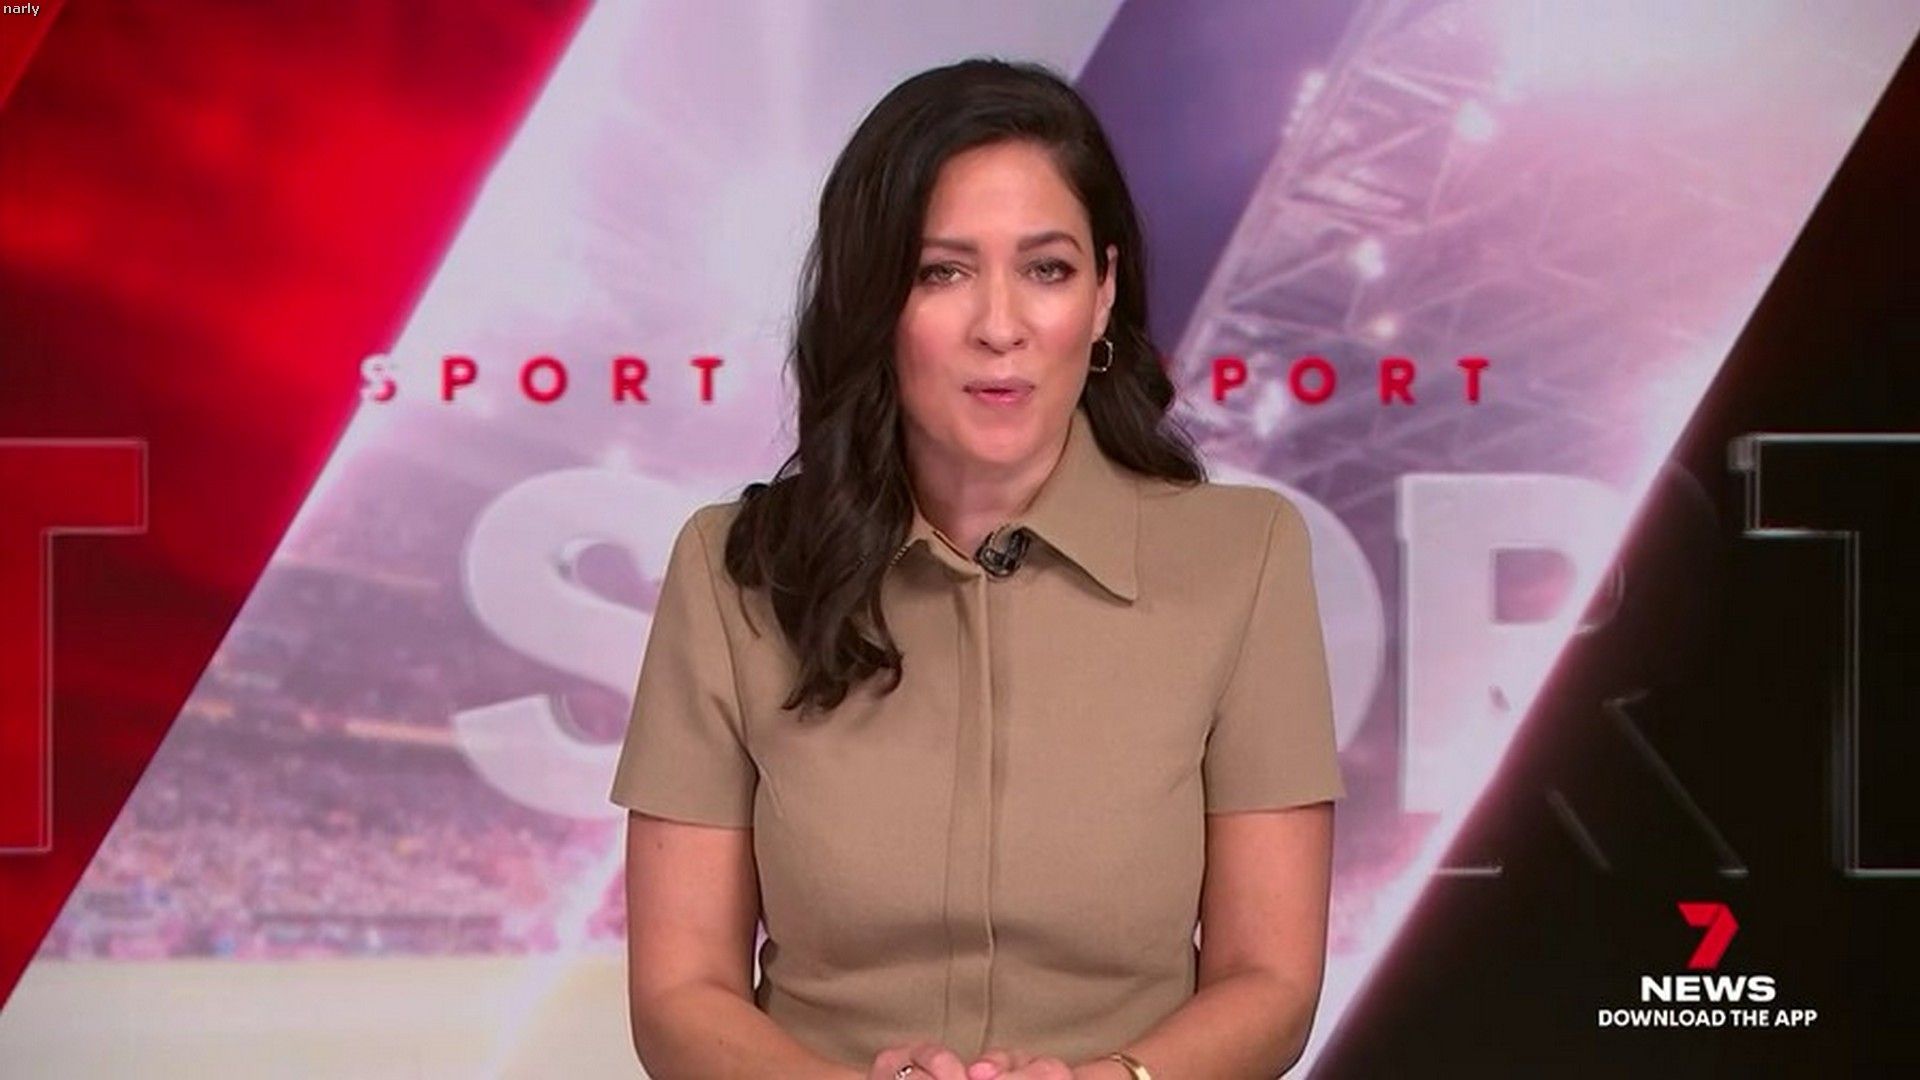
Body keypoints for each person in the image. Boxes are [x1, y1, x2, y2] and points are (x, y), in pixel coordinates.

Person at [611, 58, 1344, 1080]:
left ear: (1104, 295)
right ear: (874, 302)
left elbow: (1270, 980)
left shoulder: (1247, 557)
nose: (1001, 327)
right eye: (942, 272)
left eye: (1047, 269)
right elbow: (679, 993)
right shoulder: (729, 571)